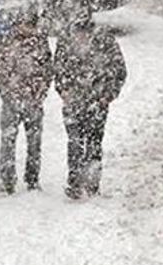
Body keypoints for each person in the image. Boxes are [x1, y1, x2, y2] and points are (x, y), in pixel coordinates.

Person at [54, 18, 127, 199]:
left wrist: (107, 96)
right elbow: (57, 70)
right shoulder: (65, 44)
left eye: (85, 33)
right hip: (73, 103)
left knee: (94, 143)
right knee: (75, 142)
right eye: (79, 33)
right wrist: (63, 90)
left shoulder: (106, 44)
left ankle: (92, 183)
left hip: (97, 103)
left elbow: (119, 71)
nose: (82, 37)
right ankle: (75, 182)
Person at [0, 10, 53, 194]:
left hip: (34, 102)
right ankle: (7, 179)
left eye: (31, 26)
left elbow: (48, 70)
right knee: (8, 141)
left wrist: (40, 93)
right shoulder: (7, 42)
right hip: (11, 101)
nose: (28, 29)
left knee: (34, 143)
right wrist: (6, 93)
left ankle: (32, 179)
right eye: (25, 25)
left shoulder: (40, 43)